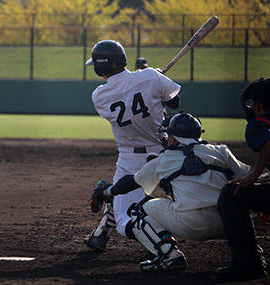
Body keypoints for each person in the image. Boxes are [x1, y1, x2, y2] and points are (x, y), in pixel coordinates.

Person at [91, 112, 250, 272]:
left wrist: (108, 191)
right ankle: (252, 255)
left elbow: (130, 182)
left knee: (140, 209)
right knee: (237, 204)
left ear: (173, 138)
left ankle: (169, 255)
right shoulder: (221, 151)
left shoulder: (165, 159)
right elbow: (247, 180)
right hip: (228, 223)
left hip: (192, 225)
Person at [84, 40, 181, 252]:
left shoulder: (99, 96)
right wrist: (155, 79)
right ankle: (116, 202)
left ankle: (163, 245)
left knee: (124, 219)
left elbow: (128, 97)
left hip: (132, 160)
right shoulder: (150, 77)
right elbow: (175, 102)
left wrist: (150, 80)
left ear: (101, 67)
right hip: (167, 153)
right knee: (187, 202)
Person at [216, 78, 270, 280]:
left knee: (231, 194)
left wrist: (251, 178)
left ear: (257, 105)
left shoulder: (258, 124)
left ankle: (247, 264)